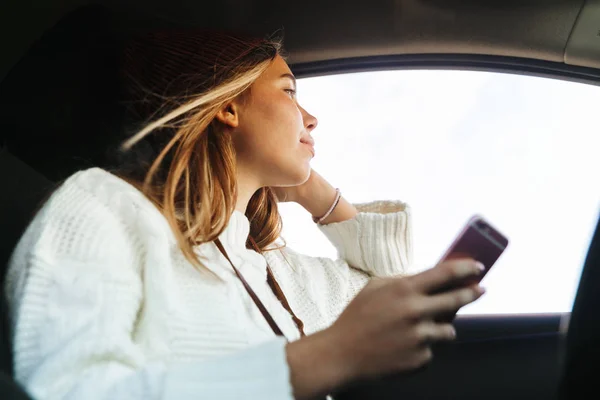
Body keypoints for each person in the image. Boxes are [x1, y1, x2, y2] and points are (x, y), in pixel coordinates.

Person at [4, 30, 485, 400]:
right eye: (290, 91)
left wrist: (314, 193)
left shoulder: (274, 266)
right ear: (228, 105)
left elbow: (393, 289)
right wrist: (322, 358)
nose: (312, 118)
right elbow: (72, 390)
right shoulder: (104, 206)